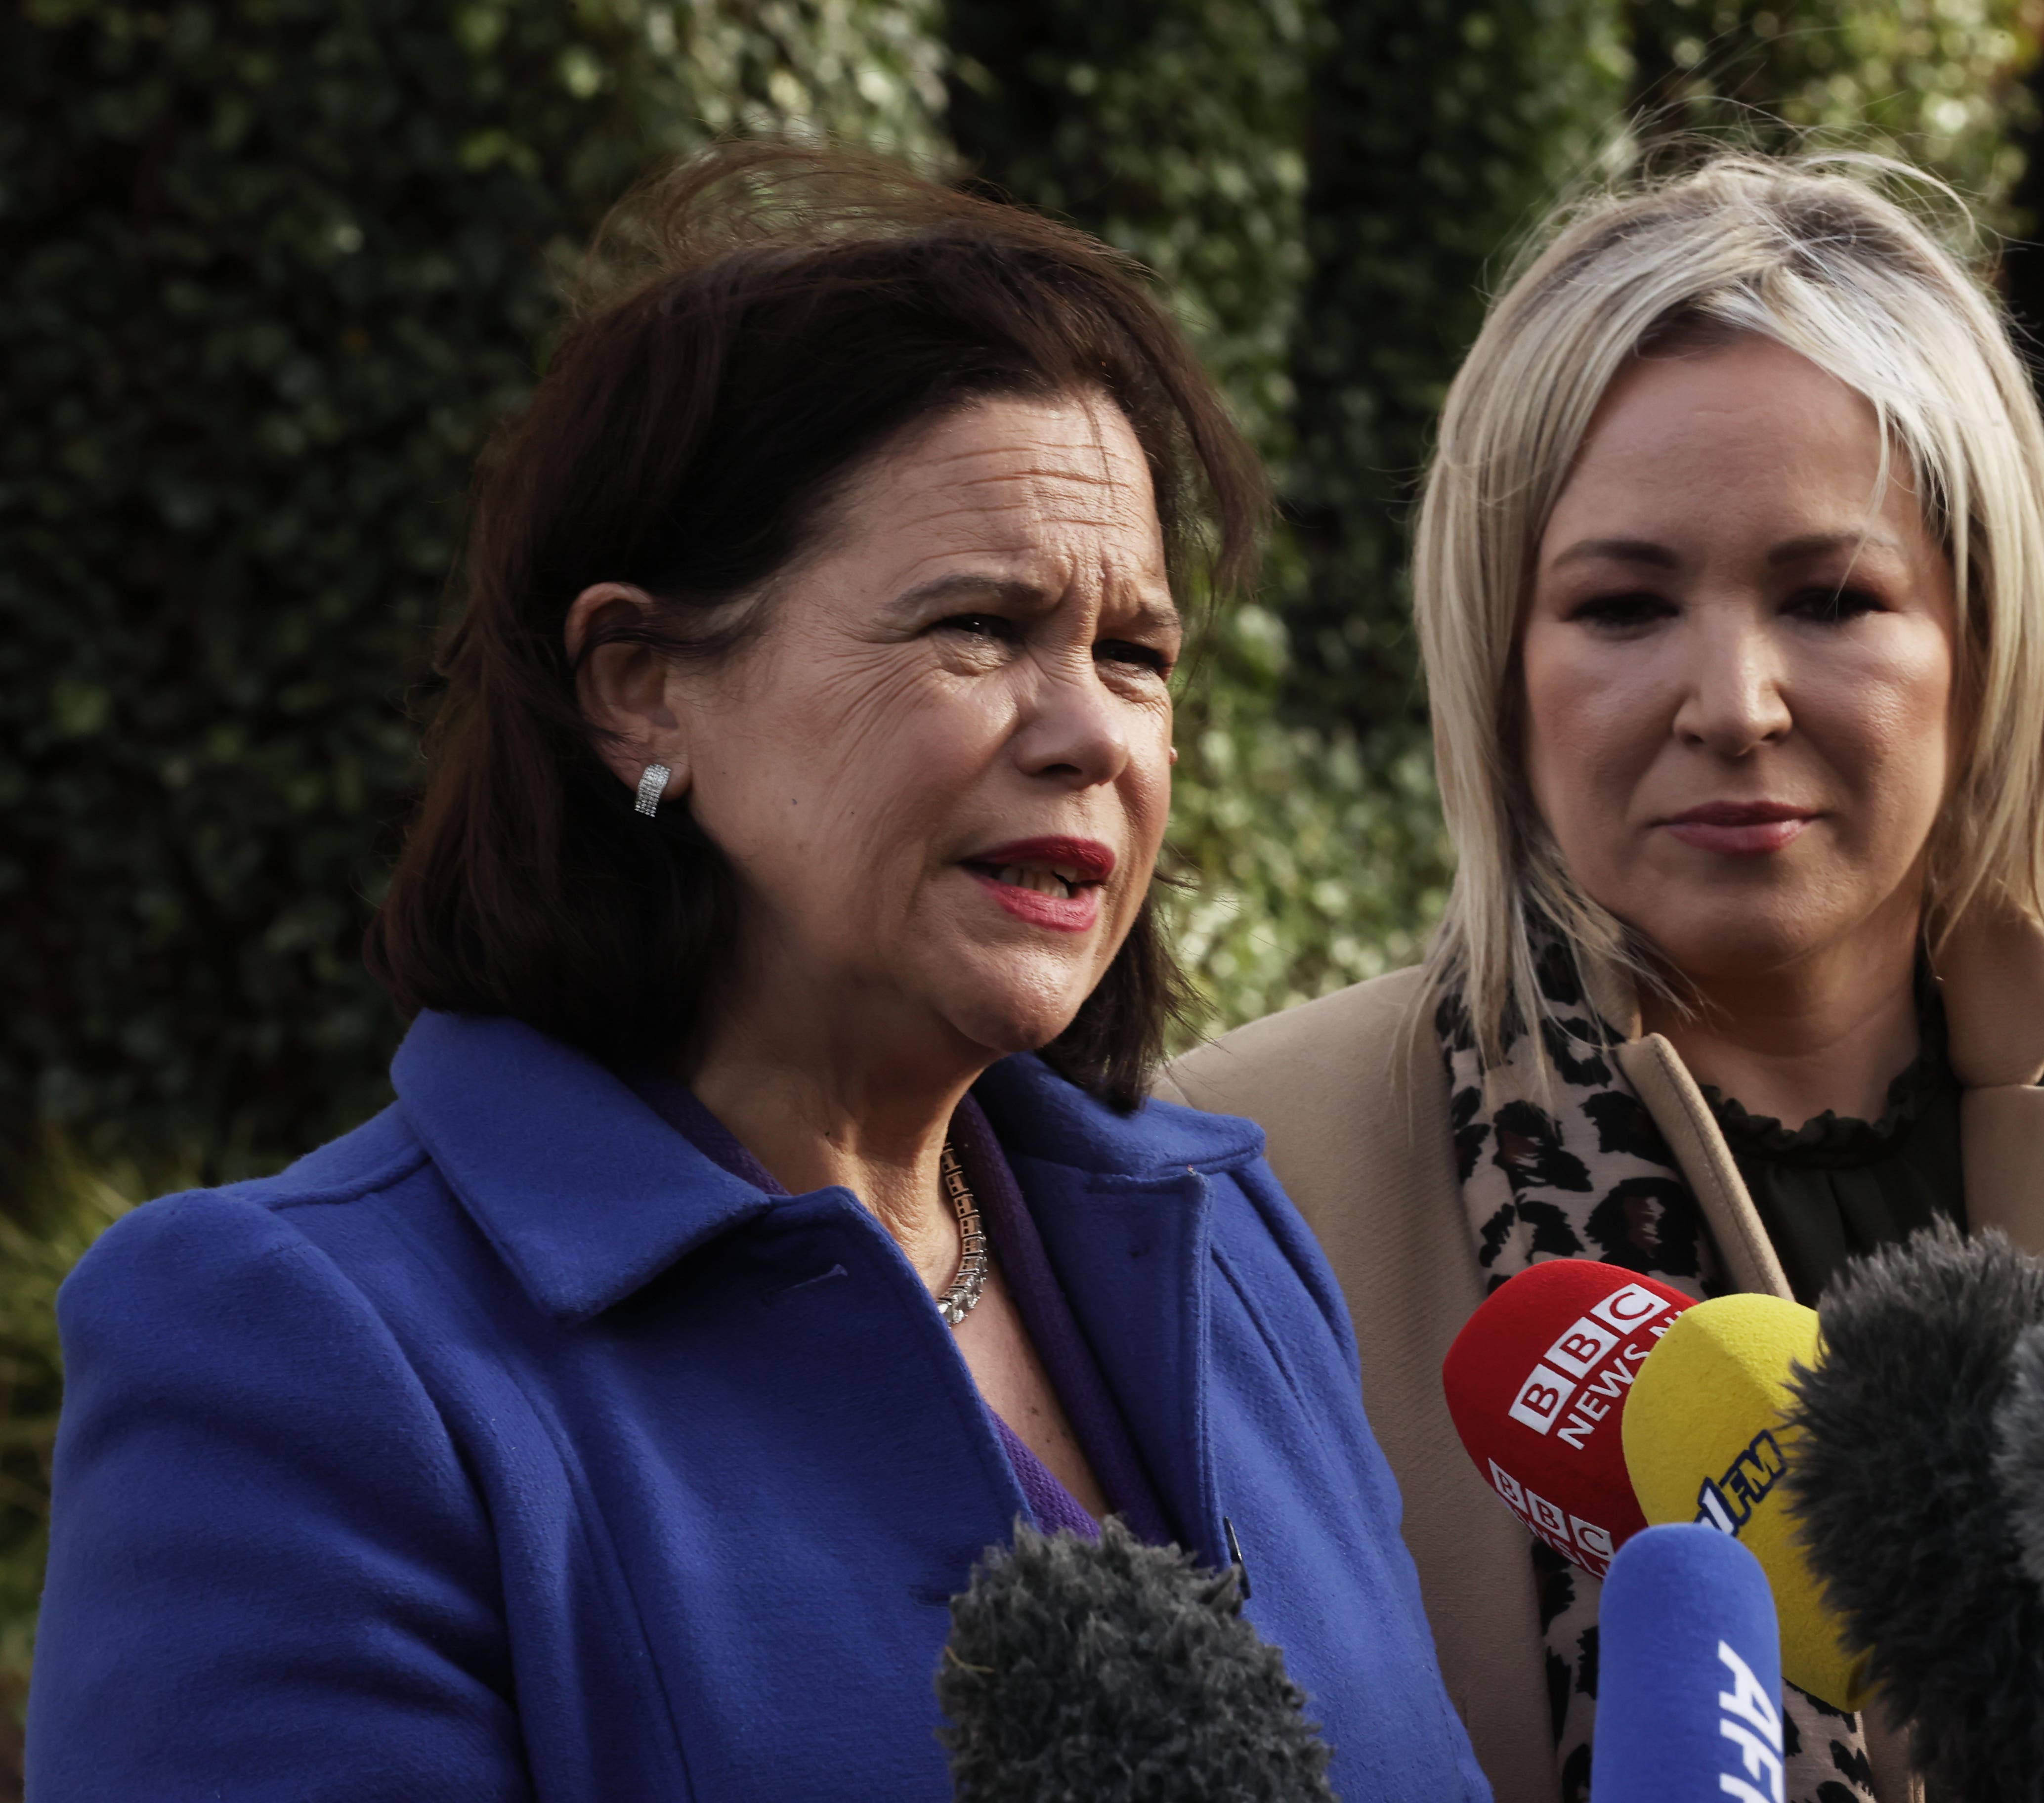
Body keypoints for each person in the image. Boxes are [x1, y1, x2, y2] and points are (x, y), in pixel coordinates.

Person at [28, 146, 1488, 1803]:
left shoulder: (1224, 1244)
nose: (1095, 734)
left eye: (1136, 653)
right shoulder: (296, 1354)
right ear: (642, 692)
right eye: (982, 628)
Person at [1159, 153, 2044, 1803]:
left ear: (1983, 644)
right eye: (1624, 603)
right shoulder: (1237, 1186)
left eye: (1830, 598)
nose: (1732, 699)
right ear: (1501, 665)